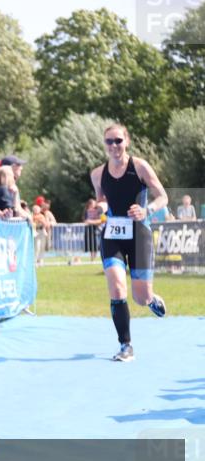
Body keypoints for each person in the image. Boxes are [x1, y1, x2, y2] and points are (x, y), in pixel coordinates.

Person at [90, 123, 168, 362]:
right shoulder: (97, 173)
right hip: (113, 233)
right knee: (116, 287)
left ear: (127, 141)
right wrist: (98, 210)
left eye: (118, 141)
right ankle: (126, 345)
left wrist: (147, 210)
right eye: (109, 142)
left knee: (141, 297)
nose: (114, 146)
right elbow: (103, 200)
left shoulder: (140, 167)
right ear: (104, 145)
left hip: (139, 235)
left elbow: (163, 197)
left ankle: (152, 299)